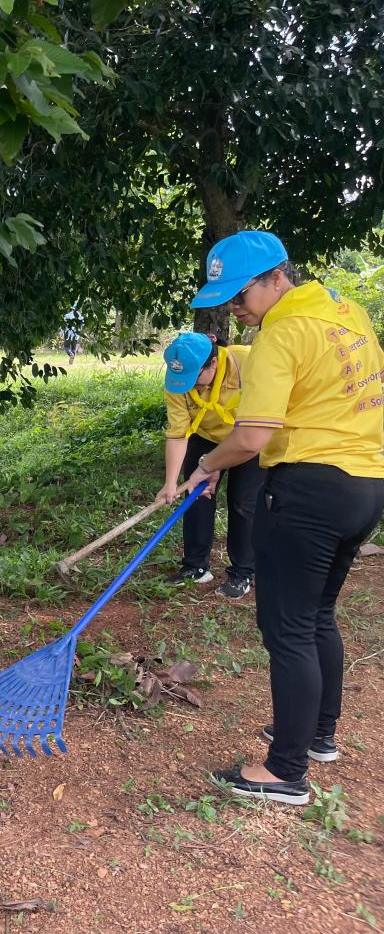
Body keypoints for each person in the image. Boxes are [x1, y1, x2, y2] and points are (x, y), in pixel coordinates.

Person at [186, 231, 384, 805]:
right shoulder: (348, 314)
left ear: (277, 277)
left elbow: (250, 435)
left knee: (288, 629)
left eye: (239, 293)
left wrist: (207, 463)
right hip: (364, 487)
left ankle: (284, 772)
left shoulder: (280, 335)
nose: (233, 307)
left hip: (306, 491)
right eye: (225, 297)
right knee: (318, 615)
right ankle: (317, 735)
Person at [158, 332, 263, 598]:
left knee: (243, 503)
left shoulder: (249, 362)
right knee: (196, 496)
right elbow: (178, 433)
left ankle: (242, 572)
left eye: (195, 377)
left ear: (213, 364)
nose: (188, 386)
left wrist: (219, 462)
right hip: (206, 437)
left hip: (248, 438)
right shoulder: (177, 381)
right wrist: (170, 483)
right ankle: (195, 567)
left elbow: (266, 415)